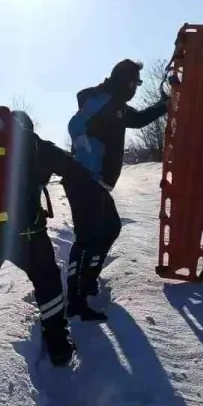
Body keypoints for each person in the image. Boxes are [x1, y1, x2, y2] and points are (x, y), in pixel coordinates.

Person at [0, 110, 91, 367]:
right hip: (26, 233)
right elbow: (71, 168)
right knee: (47, 280)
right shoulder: (33, 143)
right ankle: (58, 343)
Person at [63, 59, 168, 320]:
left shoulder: (116, 106)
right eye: (135, 82)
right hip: (86, 179)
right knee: (88, 237)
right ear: (124, 80)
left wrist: (164, 105)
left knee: (109, 229)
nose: (137, 87)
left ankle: (86, 283)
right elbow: (75, 126)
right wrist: (88, 158)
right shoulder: (101, 100)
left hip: (94, 182)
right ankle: (76, 301)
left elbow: (140, 119)